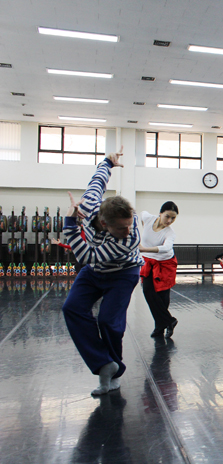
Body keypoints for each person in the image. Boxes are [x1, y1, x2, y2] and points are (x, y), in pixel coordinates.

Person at [61, 148, 144, 396]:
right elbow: (97, 182)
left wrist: (70, 226)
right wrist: (107, 162)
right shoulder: (89, 207)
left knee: (108, 321)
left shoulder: (129, 239)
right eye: (122, 227)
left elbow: (86, 255)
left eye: (129, 224)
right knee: (71, 308)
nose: (129, 231)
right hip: (95, 271)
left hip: (123, 273)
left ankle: (113, 372)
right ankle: (104, 365)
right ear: (104, 223)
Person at [139, 202, 179, 338]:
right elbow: (142, 212)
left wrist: (144, 249)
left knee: (162, 296)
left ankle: (159, 328)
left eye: (173, 218)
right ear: (160, 213)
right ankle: (169, 321)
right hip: (149, 261)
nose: (169, 221)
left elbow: (167, 248)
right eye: (167, 216)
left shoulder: (170, 233)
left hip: (165, 263)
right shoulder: (149, 218)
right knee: (147, 291)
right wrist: (144, 227)